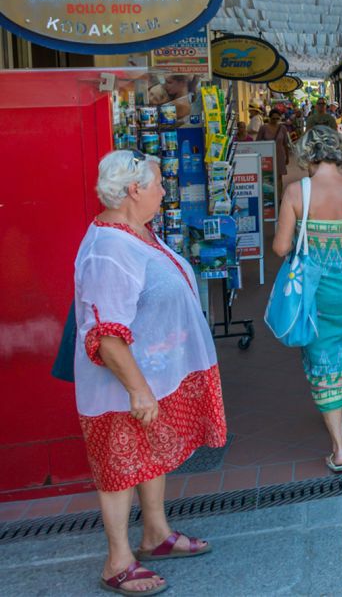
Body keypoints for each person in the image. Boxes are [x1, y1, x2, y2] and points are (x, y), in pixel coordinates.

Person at [74, 150, 226, 595]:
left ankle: (156, 535)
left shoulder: (136, 232)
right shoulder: (109, 249)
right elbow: (106, 335)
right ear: (135, 190)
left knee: (149, 455)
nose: (164, 190)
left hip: (155, 374)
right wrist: (139, 391)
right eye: (159, 183)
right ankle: (117, 560)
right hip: (122, 387)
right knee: (120, 467)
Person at [272, 127, 342, 474]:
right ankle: (341, 408)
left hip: (316, 288)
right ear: (340, 153)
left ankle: (339, 448)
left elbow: (280, 248)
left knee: (321, 354)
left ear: (307, 155)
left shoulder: (296, 192)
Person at [258, 109, 292, 189]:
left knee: (279, 177)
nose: (275, 120)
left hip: (279, 155)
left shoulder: (283, 128)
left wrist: (287, 157)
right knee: (268, 177)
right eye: (273, 118)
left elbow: (285, 143)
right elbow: (258, 142)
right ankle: (269, 198)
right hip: (267, 156)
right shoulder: (263, 128)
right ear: (269, 118)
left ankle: (279, 198)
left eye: (277, 118)